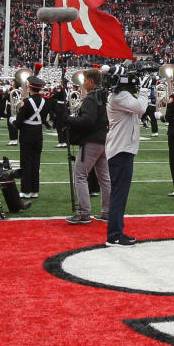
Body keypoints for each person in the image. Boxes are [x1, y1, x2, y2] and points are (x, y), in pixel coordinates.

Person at [105, 70, 148, 246]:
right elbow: (141, 108)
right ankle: (114, 234)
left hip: (122, 148)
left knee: (119, 194)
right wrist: (145, 90)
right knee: (119, 194)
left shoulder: (119, 96)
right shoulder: (120, 96)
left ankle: (115, 232)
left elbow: (138, 112)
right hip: (120, 150)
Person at [64, 68, 111, 225]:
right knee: (104, 178)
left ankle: (84, 212)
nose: (83, 84)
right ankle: (108, 211)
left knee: (80, 175)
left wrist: (69, 120)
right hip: (104, 139)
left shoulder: (92, 97)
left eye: (85, 81)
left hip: (92, 140)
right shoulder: (105, 94)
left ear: (91, 81)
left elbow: (88, 121)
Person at [13, 76, 51, 198]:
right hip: (38, 132)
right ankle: (35, 190)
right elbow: (44, 119)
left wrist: (13, 121)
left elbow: (19, 121)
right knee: (36, 162)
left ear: (30, 87)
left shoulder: (27, 102)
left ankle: (25, 190)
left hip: (27, 133)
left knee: (26, 162)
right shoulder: (45, 101)